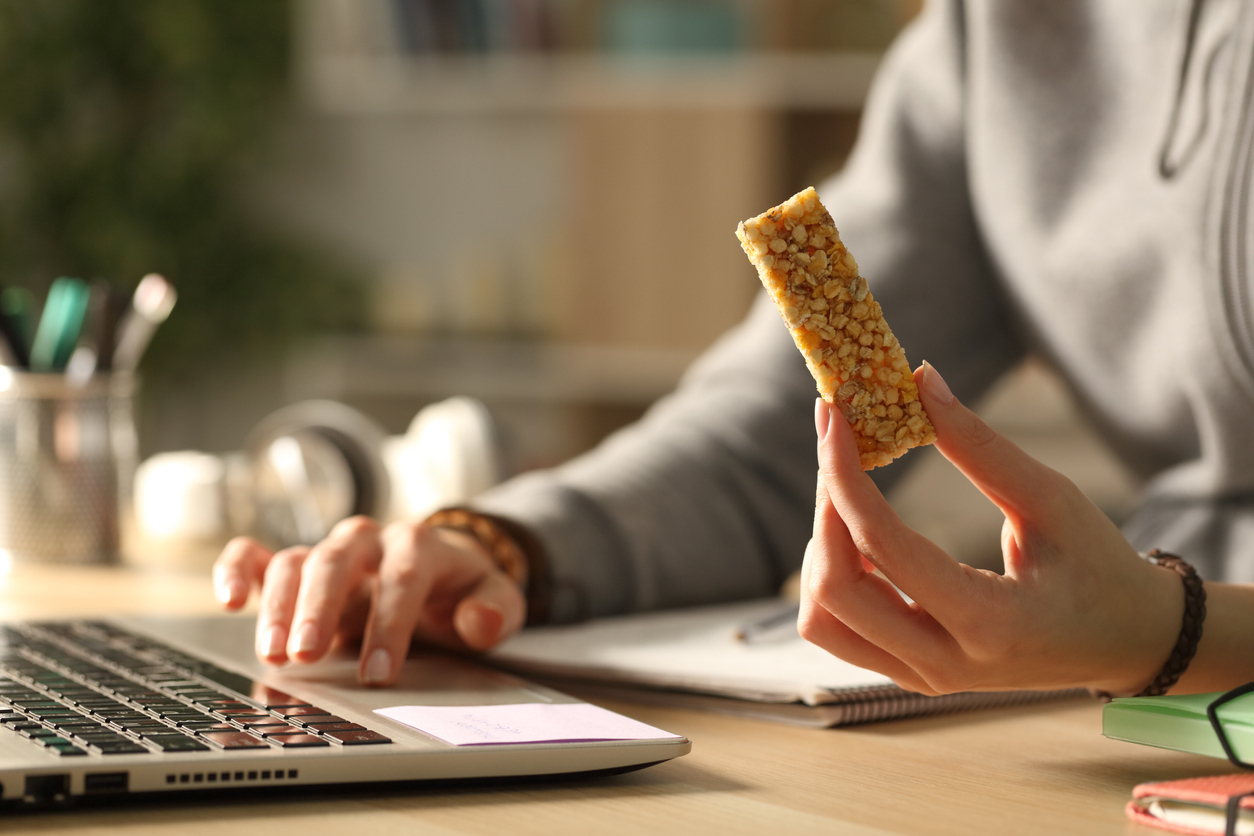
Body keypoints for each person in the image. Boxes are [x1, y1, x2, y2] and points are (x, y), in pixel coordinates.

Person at [214, 0, 1254, 696]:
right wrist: (503, 546)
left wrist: (1172, 628)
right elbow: (761, 443)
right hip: (1126, 714)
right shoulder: (1002, 30)